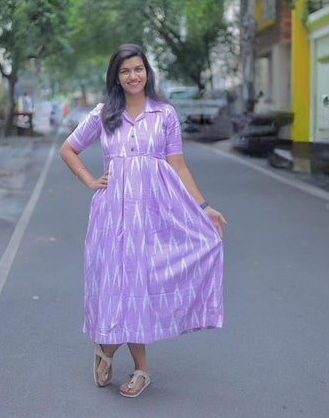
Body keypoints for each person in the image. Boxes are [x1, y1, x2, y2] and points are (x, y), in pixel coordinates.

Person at [60, 43, 226, 398]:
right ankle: (122, 358)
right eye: (125, 71)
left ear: (147, 73)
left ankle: (120, 358)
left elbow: (177, 164)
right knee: (118, 286)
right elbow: (68, 148)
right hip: (111, 217)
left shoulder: (164, 114)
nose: (133, 76)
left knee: (140, 287)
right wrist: (90, 180)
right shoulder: (104, 114)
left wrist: (204, 207)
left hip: (153, 214)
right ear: (116, 77)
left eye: (138, 69)